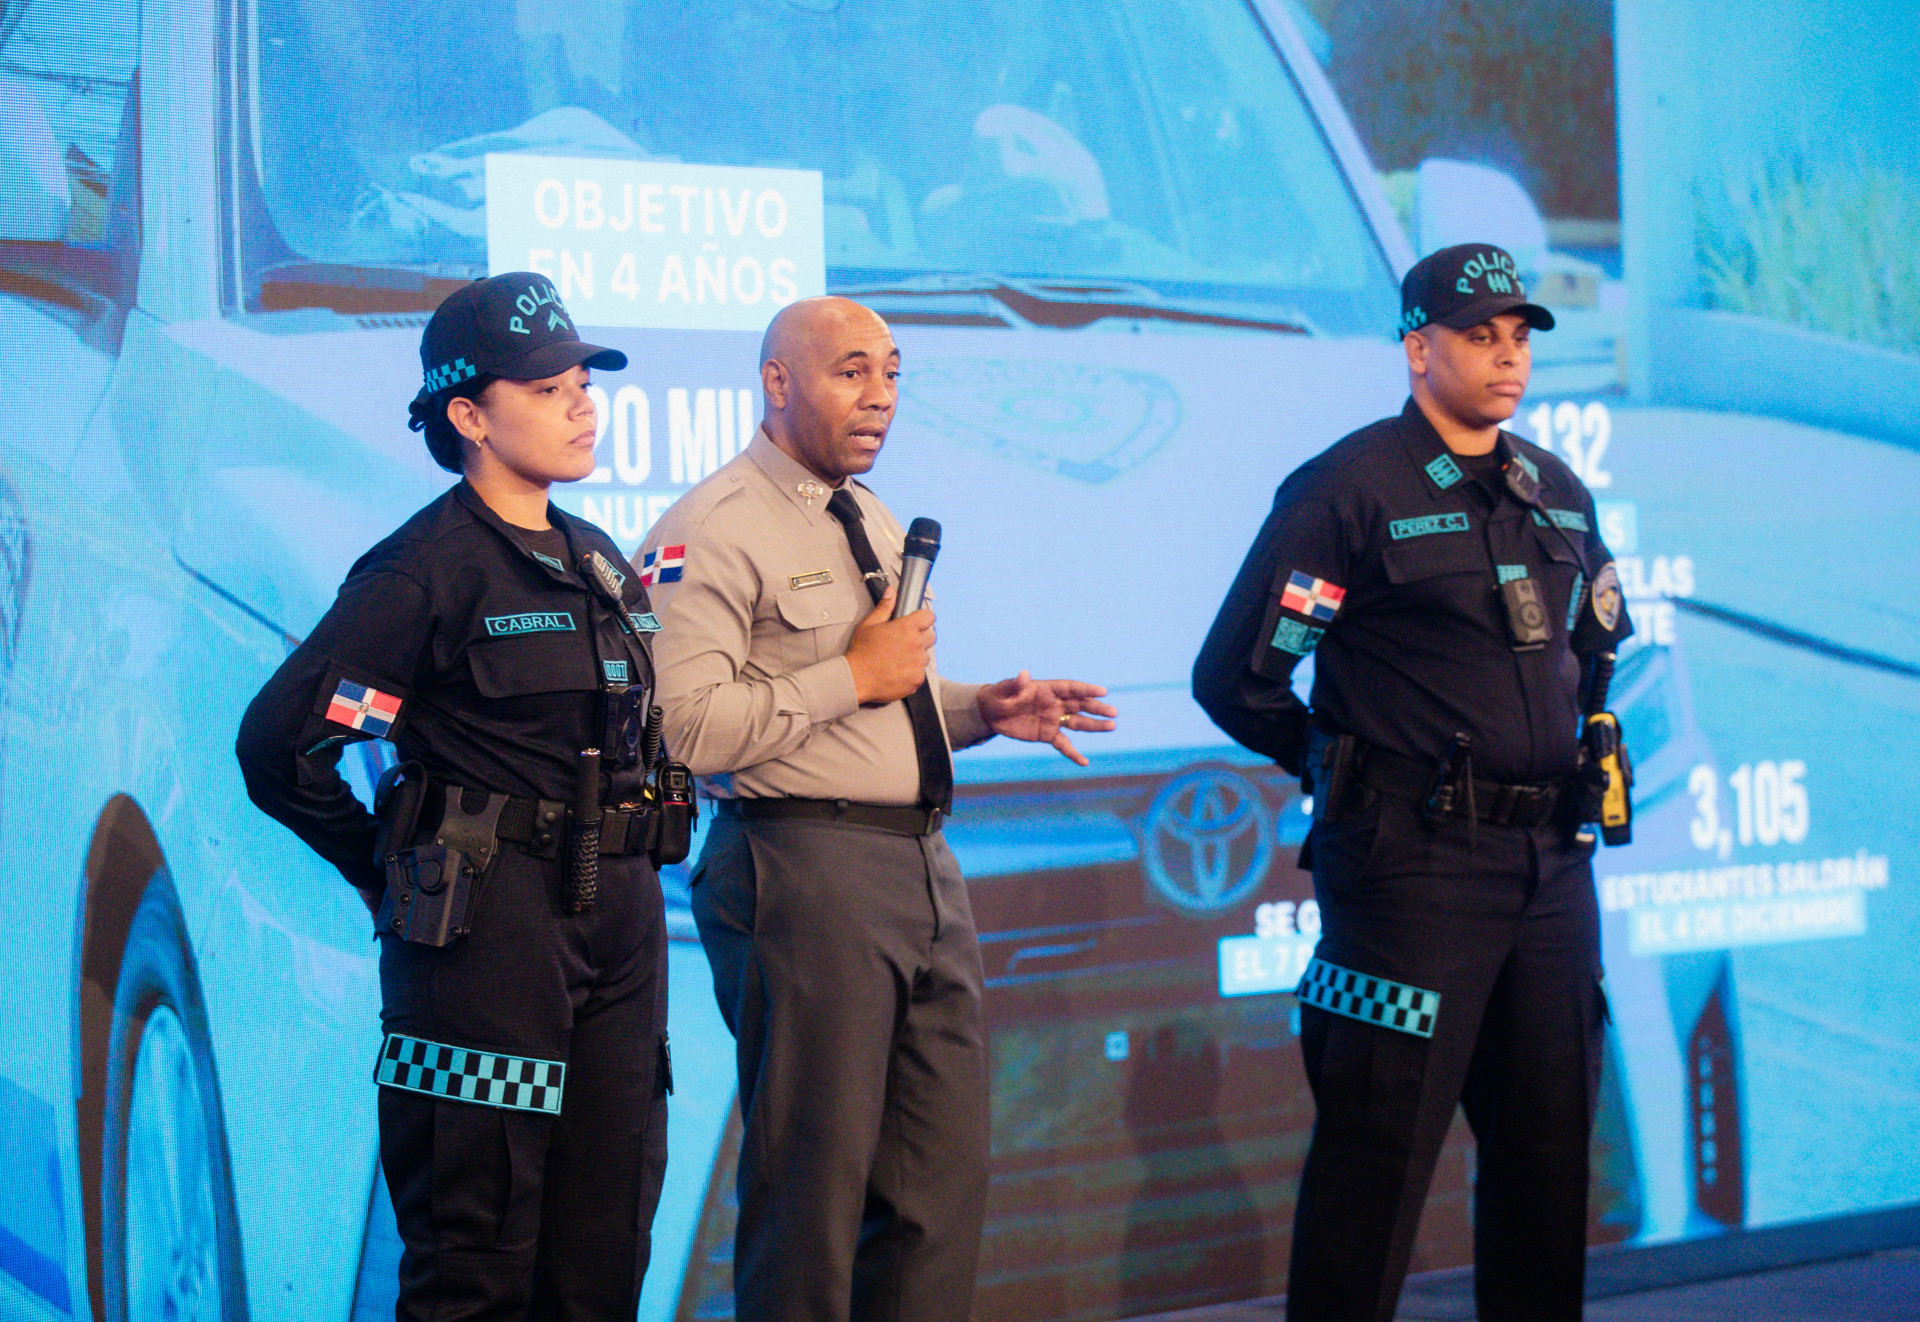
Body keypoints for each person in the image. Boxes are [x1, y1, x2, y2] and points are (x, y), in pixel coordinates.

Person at [640, 296, 1117, 1322]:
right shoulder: (711, 528)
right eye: (853, 371)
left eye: (893, 373)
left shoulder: (872, 515)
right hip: (802, 868)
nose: (881, 397)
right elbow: (681, 729)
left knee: (936, 1194)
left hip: (921, 867)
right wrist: (853, 675)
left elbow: (886, 693)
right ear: (777, 382)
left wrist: (981, 710)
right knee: (811, 1197)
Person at [1193, 244, 1634, 1322]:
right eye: (1481, 335)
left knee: (1549, 1163)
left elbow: (1594, 646)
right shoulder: (1350, 489)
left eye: (1519, 336)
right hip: (1411, 873)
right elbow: (1238, 677)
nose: (1507, 355)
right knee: (1376, 1160)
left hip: (1549, 870)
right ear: (1417, 347)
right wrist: (1345, 765)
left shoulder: (1555, 490)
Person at [236, 272, 673, 1320]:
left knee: (604, 1255)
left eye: (583, 384)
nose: (582, 406)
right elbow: (283, 745)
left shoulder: (598, 559)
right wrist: (388, 868)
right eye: (548, 389)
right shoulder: (422, 574)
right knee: (476, 1263)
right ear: (470, 416)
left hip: (620, 924)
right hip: (490, 939)